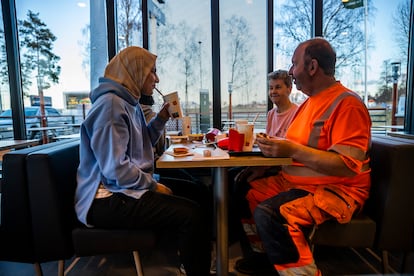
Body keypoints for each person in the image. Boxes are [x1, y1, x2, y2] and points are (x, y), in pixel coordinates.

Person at [75, 46, 211, 276]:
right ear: (136, 71)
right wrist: (153, 186)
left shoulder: (129, 102)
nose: (157, 79)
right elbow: (115, 169)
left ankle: (189, 257)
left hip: (125, 187)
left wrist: (161, 119)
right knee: (191, 214)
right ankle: (196, 267)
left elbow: (142, 142)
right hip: (106, 199)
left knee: (198, 192)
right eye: (152, 72)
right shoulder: (110, 106)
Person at [244, 37, 372, 275]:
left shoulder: (347, 104)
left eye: (294, 64)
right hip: (295, 183)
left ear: (312, 67)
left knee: (272, 213)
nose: (291, 71)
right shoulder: (308, 104)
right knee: (244, 188)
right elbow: (296, 145)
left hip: (335, 189)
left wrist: (291, 150)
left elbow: (346, 166)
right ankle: (266, 258)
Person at [232, 69, 299, 274]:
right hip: (270, 165)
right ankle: (249, 245)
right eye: (271, 88)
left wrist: (261, 168)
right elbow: (269, 146)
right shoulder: (271, 114)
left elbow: (289, 152)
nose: (273, 91)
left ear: (289, 88)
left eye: (278, 87)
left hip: (285, 170)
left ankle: (260, 252)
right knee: (233, 178)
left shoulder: (296, 114)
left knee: (242, 186)